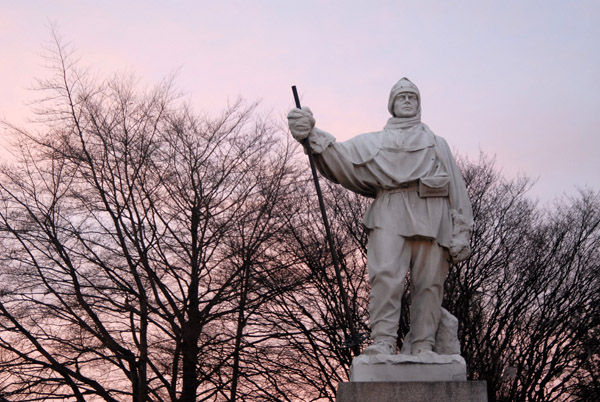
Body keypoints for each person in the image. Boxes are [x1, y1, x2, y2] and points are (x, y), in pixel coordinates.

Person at [287, 78, 473, 356]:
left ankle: (424, 344)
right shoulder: (374, 142)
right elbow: (340, 156)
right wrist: (310, 133)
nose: (408, 101)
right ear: (392, 105)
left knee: (430, 282)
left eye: (413, 97)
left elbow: (457, 189)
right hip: (389, 211)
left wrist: (462, 232)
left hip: (432, 214)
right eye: (402, 97)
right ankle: (383, 340)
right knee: (386, 276)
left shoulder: (437, 144)